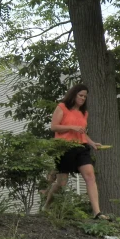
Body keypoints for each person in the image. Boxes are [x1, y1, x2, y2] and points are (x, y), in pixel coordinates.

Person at [44, 84, 109, 220]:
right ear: (73, 95)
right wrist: (72, 127)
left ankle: (97, 213)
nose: (83, 98)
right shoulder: (62, 107)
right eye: (80, 95)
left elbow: (82, 133)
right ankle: (47, 206)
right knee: (61, 183)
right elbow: (54, 127)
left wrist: (92, 143)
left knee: (90, 176)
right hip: (64, 148)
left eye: (85, 96)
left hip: (81, 147)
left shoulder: (84, 113)